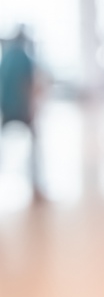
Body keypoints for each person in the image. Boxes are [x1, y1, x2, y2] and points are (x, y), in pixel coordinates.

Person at [0, 27, 40, 198]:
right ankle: (36, 185)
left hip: (6, 108)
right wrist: (30, 109)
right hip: (21, 108)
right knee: (36, 144)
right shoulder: (24, 58)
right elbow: (27, 85)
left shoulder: (6, 57)